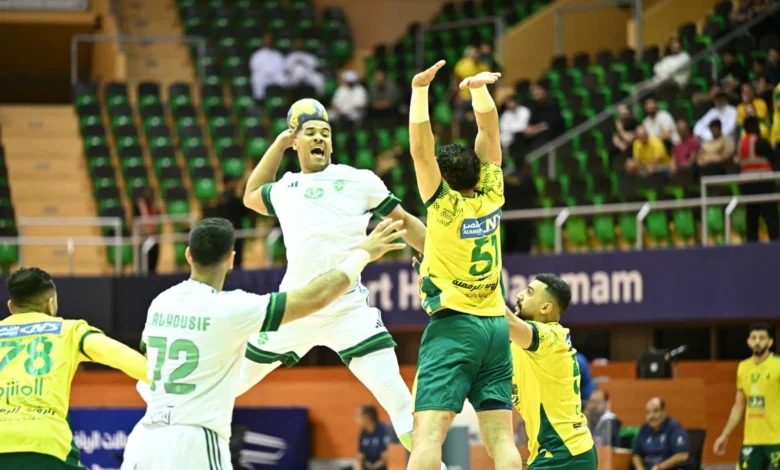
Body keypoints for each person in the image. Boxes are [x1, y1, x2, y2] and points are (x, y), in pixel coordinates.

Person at [240, 99, 434, 464]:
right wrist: (278, 145)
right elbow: (251, 195)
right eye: (310, 133)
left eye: (325, 133)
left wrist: (441, 257)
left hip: (347, 310)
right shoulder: (286, 187)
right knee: (229, 384)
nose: (319, 138)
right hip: (294, 309)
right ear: (296, 142)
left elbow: (404, 221)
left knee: (397, 397)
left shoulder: (359, 180)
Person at [127, 217, 406, 470]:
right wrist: (363, 253)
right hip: (195, 438)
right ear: (231, 259)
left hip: (145, 437)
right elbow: (316, 297)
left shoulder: (160, 303)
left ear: (188, 255)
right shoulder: (232, 308)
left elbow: (147, 363)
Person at [405, 60, 522, 470]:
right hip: (495, 326)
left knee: (427, 437)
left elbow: (420, 149)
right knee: (502, 440)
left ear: (443, 177)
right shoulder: (492, 193)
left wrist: (420, 90)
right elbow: (489, 133)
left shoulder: (443, 206)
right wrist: (478, 90)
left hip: (454, 325)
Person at [0, 267, 149, 469]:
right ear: (51, 304)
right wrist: (166, 380)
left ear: (11, 306)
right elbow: (121, 356)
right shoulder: (70, 331)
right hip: (45, 444)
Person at [504, 274, 597, 469]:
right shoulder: (518, 345)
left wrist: (480, 288)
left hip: (564, 452)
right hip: (559, 452)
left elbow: (508, 322)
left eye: (529, 292)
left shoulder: (551, 337)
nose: (519, 295)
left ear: (546, 308)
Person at [713, 323, 780, 470]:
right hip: (751, 440)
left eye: (762, 338)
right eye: (754, 338)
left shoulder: (778, 365)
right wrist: (724, 435)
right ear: (748, 342)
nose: (757, 342)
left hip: (777, 440)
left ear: (770, 342)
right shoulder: (743, 367)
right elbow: (739, 407)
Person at [737, 116, 779, 242]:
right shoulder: (760, 142)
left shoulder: (741, 144)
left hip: (747, 185)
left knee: (752, 217)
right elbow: (773, 157)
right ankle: (776, 243)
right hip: (763, 184)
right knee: (771, 216)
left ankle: (752, 244)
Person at [632, 397, 690, 470]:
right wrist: (640, 468)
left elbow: (682, 455)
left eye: (656, 411)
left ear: (664, 412)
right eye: (648, 412)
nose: (651, 416)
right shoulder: (644, 429)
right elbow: (637, 455)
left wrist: (660, 467)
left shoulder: (674, 427)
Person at [214, 178, 252, 268]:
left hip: (224, 231)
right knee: (236, 256)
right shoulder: (234, 198)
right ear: (229, 183)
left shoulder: (219, 198)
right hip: (235, 230)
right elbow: (244, 211)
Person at [525, 83, 563, 150]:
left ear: (545, 91)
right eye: (534, 90)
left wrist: (537, 128)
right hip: (536, 132)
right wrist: (528, 127)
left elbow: (552, 122)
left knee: (541, 136)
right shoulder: (532, 106)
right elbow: (530, 120)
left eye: (539, 90)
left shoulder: (553, 103)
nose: (537, 92)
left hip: (552, 132)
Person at [249, 34, 287, 100]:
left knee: (284, 80)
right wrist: (266, 73)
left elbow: (282, 67)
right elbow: (253, 67)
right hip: (262, 76)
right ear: (263, 41)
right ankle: (261, 100)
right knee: (257, 79)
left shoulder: (277, 54)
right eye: (266, 40)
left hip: (275, 76)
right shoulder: (257, 55)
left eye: (269, 40)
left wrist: (272, 74)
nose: (268, 42)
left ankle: (281, 99)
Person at [355, 405, 392, 470]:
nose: (356, 420)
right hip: (368, 466)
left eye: (358, 416)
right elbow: (360, 456)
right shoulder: (363, 433)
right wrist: (358, 466)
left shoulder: (383, 430)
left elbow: (385, 457)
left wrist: (374, 468)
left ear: (367, 418)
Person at [133, 186, 160, 274]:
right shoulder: (138, 205)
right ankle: (142, 273)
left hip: (152, 236)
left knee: (155, 249)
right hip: (142, 237)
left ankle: (152, 272)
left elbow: (157, 221)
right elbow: (135, 221)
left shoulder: (154, 206)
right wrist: (145, 229)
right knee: (143, 254)